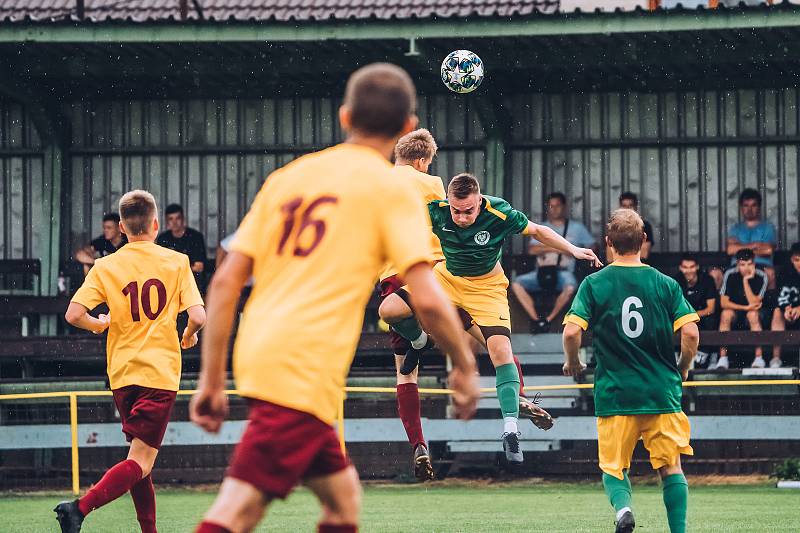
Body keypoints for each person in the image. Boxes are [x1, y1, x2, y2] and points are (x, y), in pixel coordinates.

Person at [189, 63, 480, 533]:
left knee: (343, 501)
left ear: (345, 117)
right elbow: (425, 296)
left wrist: (212, 379)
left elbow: (224, 283)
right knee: (238, 510)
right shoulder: (391, 190)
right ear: (408, 128)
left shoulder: (289, 178)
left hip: (267, 355)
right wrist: (464, 366)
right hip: (302, 367)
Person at [379, 174, 599, 465]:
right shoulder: (436, 211)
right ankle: (420, 341)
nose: (460, 217)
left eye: (468, 211)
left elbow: (537, 231)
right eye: (456, 210)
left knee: (502, 353)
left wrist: (572, 250)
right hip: (446, 279)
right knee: (389, 310)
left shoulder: (499, 212)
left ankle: (510, 430)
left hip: (487, 289)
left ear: (479, 201)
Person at [54, 190, 206, 533]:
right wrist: (190, 335)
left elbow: (74, 314)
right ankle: (78, 508)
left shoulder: (106, 265)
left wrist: (99, 325)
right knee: (142, 459)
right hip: (159, 372)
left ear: (121, 227)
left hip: (122, 374)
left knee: (139, 459)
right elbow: (198, 314)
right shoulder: (176, 261)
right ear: (155, 224)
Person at [562, 208, 699, 533]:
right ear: (644, 241)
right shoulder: (665, 284)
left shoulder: (595, 283)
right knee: (671, 467)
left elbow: (571, 332)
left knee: (614, 467)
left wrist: (574, 361)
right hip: (660, 392)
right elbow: (691, 332)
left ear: (608, 243)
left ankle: (624, 508)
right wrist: (682, 367)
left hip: (615, 393)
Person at [376, 128, 446, 482]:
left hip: (391, 275)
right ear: (421, 161)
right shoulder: (431, 182)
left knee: (405, 372)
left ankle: (418, 443)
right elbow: (445, 225)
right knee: (488, 334)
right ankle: (518, 395)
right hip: (429, 271)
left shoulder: (377, 183)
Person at [510, 192, 596, 333]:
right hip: (541, 272)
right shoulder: (541, 227)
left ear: (564, 207)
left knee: (570, 288)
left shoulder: (576, 228)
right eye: (551, 206)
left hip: (563, 272)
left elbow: (592, 247)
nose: (554, 209)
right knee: (516, 284)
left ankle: (548, 320)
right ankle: (537, 320)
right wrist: (562, 247)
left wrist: (546, 247)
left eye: (558, 206)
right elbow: (532, 249)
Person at [711, 188, 777, 289]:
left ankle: (770, 305)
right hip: (737, 267)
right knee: (715, 274)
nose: (749, 209)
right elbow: (730, 250)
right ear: (741, 208)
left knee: (770, 273)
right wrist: (756, 245)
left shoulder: (768, 227)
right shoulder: (735, 229)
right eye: (746, 205)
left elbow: (768, 250)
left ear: (759, 207)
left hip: (760, 266)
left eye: (753, 205)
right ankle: (720, 304)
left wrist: (740, 247)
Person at [716, 248, 769, 369]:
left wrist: (745, 281)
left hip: (756, 313)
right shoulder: (730, 274)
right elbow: (724, 303)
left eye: (749, 264)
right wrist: (745, 308)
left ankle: (758, 358)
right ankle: (723, 358)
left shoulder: (762, 276)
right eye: (742, 264)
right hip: (737, 311)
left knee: (752, 314)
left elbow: (754, 303)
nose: (746, 268)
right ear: (737, 264)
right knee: (726, 313)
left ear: (754, 263)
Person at [769, 242, 800, 368]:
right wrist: (787, 308)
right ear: (792, 260)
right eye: (797, 260)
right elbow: (780, 296)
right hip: (790, 314)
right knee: (777, 311)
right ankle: (776, 358)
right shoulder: (786, 273)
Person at [156, 204, 207, 275]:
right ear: (167, 221)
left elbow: (199, 267)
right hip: (170, 280)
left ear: (183, 219)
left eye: (178, 218)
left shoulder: (195, 237)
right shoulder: (163, 238)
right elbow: (159, 265)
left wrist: (173, 268)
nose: (174, 222)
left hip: (190, 280)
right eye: (171, 219)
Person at [607, 192, 654, 262]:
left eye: (630, 205)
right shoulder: (614, 225)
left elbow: (644, 255)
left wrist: (620, 251)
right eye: (624, 206)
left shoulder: (645, 225)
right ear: (620, 207)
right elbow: (609, 257)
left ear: (636, 207)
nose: (627, 209)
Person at [674, 254, 718, 330]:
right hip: (683, 319)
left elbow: (711, 309)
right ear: (680, 268)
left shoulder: (707, 280)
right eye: (685, 267)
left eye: (692, 267)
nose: (688, 271)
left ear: (697, 267)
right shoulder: (675, 281)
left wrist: (691, 317)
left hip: (703, 318)